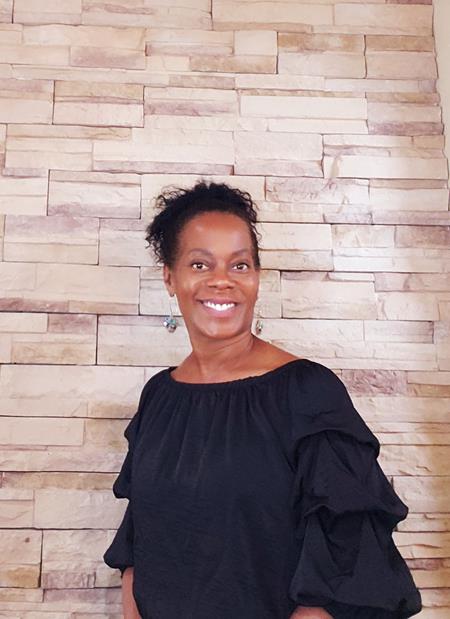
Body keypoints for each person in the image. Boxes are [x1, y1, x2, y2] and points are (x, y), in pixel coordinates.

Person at [103, 181, 422, 619]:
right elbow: (140, 537)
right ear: (170, 277)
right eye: (200, 263)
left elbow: (347, 557)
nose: (222, 280)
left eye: (240, 265)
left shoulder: (307, 392)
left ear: (256, 278)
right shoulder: (160, 395)